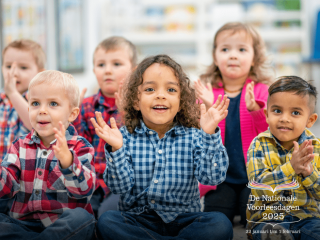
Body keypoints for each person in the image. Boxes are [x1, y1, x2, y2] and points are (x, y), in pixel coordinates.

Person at [93, 54, 233, 240]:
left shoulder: (194, 135)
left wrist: (209, 134)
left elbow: (212, 177)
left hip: (185, 220)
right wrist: (117, 149)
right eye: (150, 89)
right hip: (139, 220)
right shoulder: (123, 136)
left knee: (220, 224)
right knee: (107, 221)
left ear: (181, 101)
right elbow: (119, 187)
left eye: (171, 90)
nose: (160, 95)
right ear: (136, 101)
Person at [0, 70, 96, 240]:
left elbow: (84, 191)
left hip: (61, 224)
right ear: (28, 108)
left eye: (52, 104)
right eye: (36, 103)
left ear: (72, 114)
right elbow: (6, 187)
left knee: (82, 219)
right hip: (22, 224)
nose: (42, 110)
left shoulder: (80, 146)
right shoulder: (19, 145)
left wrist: (67, 160)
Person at [195, 22, 273, 226]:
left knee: (253, 218)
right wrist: (209, 108)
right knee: (216, 218)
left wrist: (256, 110)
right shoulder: (206, 93)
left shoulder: (262, 91)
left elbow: (272, 135)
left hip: (255, 176)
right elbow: (197, 135)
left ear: (254, 58)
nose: (233, 55)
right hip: (220, 179)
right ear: (215, 57)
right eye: (225, 49)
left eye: (241, 49)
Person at [247, 76, 320, 240]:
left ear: (310, 120)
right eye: (277, 111)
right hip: (267, 219)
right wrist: (290, 168)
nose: (284, 118)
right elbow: (258, 189)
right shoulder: (258, 145)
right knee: (268, 231)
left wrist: (309, 174)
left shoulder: (316, 148)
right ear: (266, 114)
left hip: (306, 218)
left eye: (295, 112)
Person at [73, 36, 137, 218]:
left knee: (108, 215)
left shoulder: (139, 107)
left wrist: (125, 112)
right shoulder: (85, 106)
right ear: (94, 70)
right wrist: (71, 115)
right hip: (90, 183)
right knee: (78, 215)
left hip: (124, 185)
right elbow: (77, 145)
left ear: (133, 70)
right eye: (101, 65)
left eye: (116, 64)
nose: (108, 70)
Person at [0, 39, 45, 213]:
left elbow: (33, 123)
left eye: (23, 68)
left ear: (39, 73)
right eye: (8, 66)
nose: (14, 72)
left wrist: (12, 93)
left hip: (25, 187)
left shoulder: (38, 103)